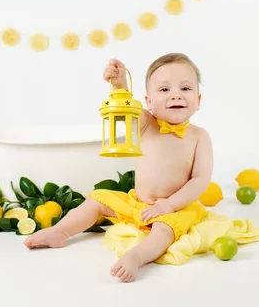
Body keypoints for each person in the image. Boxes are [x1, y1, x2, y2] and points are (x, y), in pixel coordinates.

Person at [24, 52, 213, 283]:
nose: (176, 95)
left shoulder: (199, 137)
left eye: (185, 88)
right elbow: (122, 111)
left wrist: (169, 205)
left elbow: (200, 179)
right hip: (138, 204)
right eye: (164, 90)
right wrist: (119, 84)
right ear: (149, 102)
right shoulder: (146, 123)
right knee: (97, 200)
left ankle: (136, 256)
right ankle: (60, 232)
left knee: (164, 229)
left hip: (176, 208)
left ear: (199, 100)